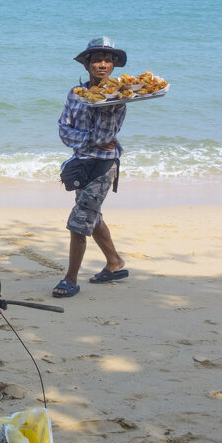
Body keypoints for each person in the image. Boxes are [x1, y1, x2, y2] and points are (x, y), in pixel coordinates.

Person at [53, 37, 130, 298]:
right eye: (97, 59)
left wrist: (88, 136)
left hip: (104, 165)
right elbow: (64, 130)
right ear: (87, 64)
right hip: (81, 164)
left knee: (79, 220)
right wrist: (88, 140)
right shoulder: (75, 94)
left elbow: (104, 136)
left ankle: (70, 279)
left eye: (108, 60)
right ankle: (115, 262)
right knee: (91, 216)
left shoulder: (118, 97)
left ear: (114, 66)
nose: (102, 64)